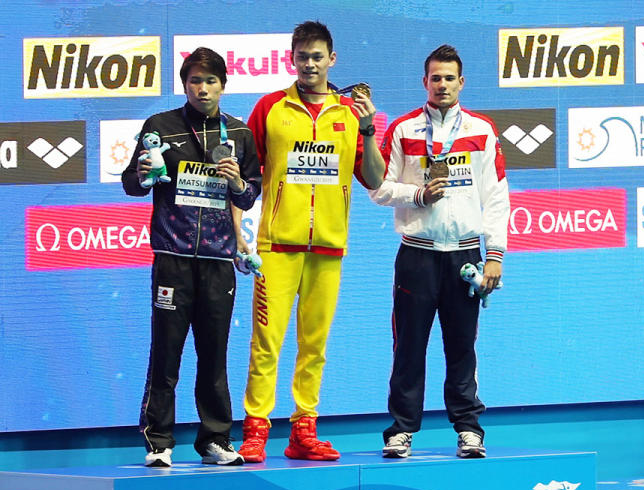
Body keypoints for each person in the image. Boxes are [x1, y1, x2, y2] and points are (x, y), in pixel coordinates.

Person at [237, 20, 384, 463]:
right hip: (276, 248)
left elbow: (375, 180)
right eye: (302, 56)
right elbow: (246, 179)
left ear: (332, 59)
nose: (310, 64)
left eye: (318, 56)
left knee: (314, 346)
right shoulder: (269, 108)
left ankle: (303, 431)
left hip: (328, 247)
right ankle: (255, 431)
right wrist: (243, 237)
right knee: (266, 343)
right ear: (292, 59)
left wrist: (371, 129)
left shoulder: (350, 113)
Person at [122, 47, 262, 467]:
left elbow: (251, 193)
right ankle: (159, 441)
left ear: (223, 84)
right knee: (166, 351)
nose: (203, 89)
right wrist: (146, 174)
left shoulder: (238, 134)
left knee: (214, 353)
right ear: (185, 85)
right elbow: (132, 183)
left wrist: (238, 184)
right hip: (172, 256)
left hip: (219, 260)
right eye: (195, 81)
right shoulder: (160, 126)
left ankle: (215, 440)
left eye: (211, 81)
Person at [371, 44, 509, 459]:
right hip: (417, 254)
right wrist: (416, 194)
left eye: (450, 77)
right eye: (436, 77)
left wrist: (496, 253)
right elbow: (379, 188)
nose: (442, 84)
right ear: (424, 82)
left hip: (465, 256)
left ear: (461, 82)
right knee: (409, 346)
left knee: (462, 346)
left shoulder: (482, 130)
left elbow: (497, 195)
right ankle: (401, 431)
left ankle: (469, 429)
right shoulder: (403, 129)